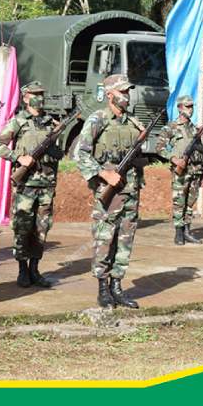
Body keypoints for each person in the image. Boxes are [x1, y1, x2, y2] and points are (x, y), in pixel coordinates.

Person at [74, 74, 143, 309]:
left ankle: (117, 286)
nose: (127, 95)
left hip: (131, 190)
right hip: (109, 192)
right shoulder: (98, 119)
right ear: (110, 94)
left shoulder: (133, 122)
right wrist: (103, 174)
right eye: (123, 91)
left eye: (128, 91)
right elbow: (80, 153)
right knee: (105, 239)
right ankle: (103, 288)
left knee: (125, 240)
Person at [0, 80, 62, 287]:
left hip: (46, 184)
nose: (39, 98)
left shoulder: (51, 123)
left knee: (42, 228)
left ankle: (35, 268)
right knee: (23, 227)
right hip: (25, 185)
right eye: (35, 94)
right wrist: (18, 158)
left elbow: (59, 153)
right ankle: (22, 270)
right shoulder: (18, 121)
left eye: (41, 94)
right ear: (25, 98)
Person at [155, 95, 203, 246]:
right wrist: (174, 159)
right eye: (187, 106)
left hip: (195, 170)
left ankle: (187, 231)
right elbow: (159, 148)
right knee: (179, 202)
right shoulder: (171, 127)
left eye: (191, 106)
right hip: (181, 171)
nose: (190, 109)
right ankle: (178, 232)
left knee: (190, 203)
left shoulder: (194, 128)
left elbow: (201, 152)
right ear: (179, 108)